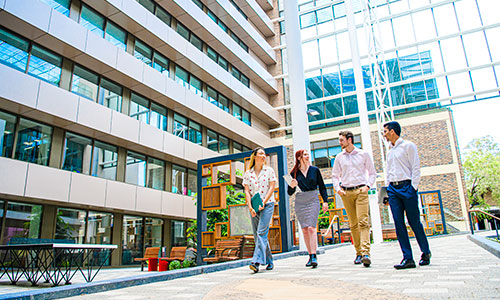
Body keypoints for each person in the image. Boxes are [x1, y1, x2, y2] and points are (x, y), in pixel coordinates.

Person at [383, 121, 431, 270]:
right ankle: (407, 257)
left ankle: (425, 252)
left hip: (407, 187)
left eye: (385, 131)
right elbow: (388, 172)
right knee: (398, 223)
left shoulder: (409, 146)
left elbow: (416, 167)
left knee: (414, 222)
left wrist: (413, 188)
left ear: (392, 131)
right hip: (393, 190)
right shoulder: (389, 151)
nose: (383, 134)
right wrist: (386, 192)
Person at [331, 130, 376, 267]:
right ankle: (358, 253)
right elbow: (335, 175)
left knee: (363, 222)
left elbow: (373, 173)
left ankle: (366, 253)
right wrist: (338, 189)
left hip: (361, 191)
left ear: (349, 140)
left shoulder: (363, 154)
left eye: (341, 140)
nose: (340, 142)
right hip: (346, 192)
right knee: (353, 224)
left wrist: (368, 186)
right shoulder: (339, 157)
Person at [288, 149, 329, 268]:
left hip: (313, 199)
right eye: (305, 154)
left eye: (307, 154)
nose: (307, 156)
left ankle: (314, 254)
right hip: (300, 201)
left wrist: (325, 201)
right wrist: (292, 186)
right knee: (305, 229)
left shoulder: (314, 170)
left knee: (311, 228)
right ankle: (310, 255)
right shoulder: (294, 173)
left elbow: (322, 186)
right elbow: (289, 192)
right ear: (299, 157)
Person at [243, 147, 277, 273]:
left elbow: (272, 187)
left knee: (261, 232)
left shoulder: (269, 170)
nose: (264, 156)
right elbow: (247, 191)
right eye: (261, 154)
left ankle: (256, 262)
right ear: (255, 156)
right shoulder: (248, 174)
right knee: (258, 235)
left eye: (264, 154)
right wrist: (250, 206)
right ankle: (269, 260)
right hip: (254, 205)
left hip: (267, 204)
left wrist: (264, 201)